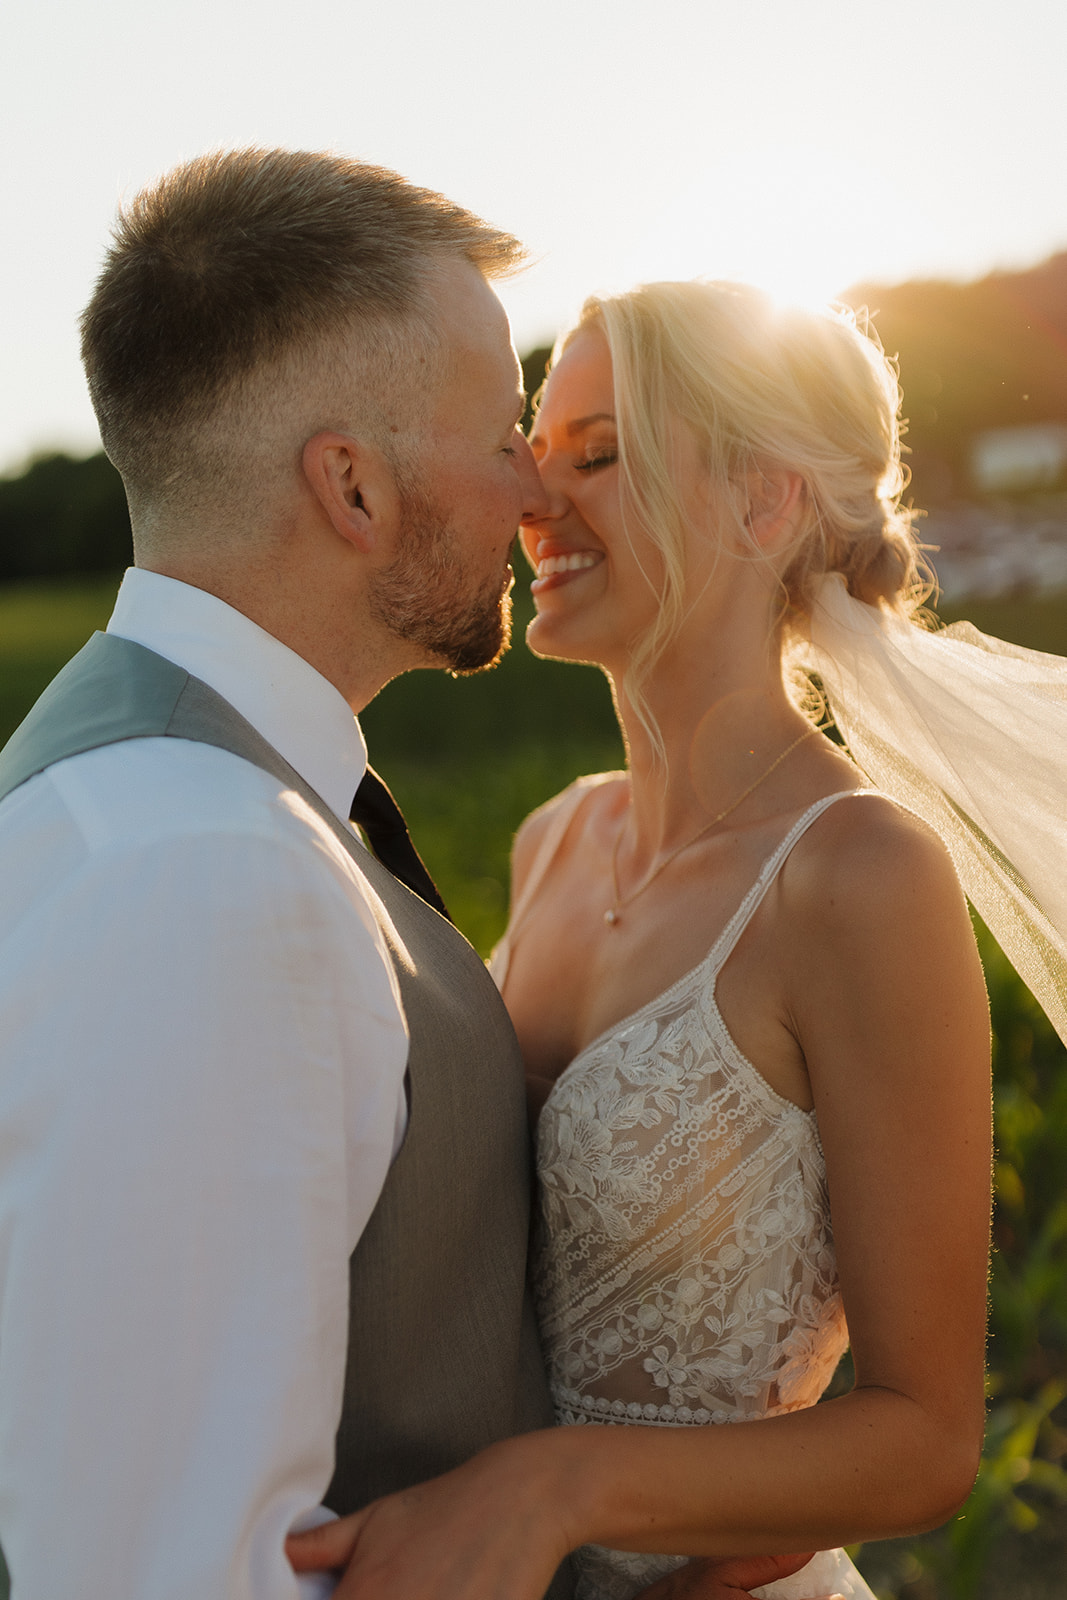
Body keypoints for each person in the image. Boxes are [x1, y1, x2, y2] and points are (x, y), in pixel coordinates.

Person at [0, 153, 817, 1600]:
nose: (534, 486)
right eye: (503, 430)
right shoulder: (208, 878)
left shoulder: (150, 803)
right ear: (356, 488)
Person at [291, 280, 997, 1600]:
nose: (531, 506)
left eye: (600, 457)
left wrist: (546, 1491)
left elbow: (927, 1439)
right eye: (529, 456)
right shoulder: (553, 841)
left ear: (765, 501)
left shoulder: (857, 878)